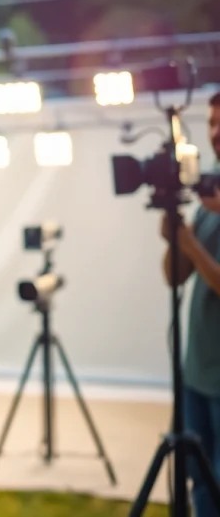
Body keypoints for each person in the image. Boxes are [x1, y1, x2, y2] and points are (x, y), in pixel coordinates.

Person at [161, 91, 220, 517]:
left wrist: (190, 245)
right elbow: (173, 276)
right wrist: (174, 236)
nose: (216, 133)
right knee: (199, 479)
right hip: (198, 366)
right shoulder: (209, 191)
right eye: (213, 123)